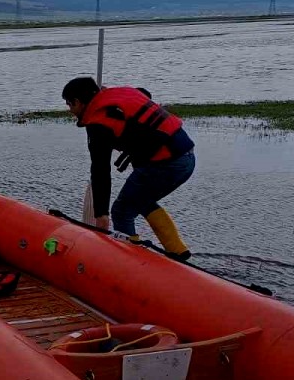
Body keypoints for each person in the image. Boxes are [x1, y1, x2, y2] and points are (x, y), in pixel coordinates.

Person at [62, 76, 195, 261]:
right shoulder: (118, 93)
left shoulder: (98, 122)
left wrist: (101, 214)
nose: (69, 110)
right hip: (187, 156)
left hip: (166, 163)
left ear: (78, 101)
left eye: (69, 104)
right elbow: (144, 95)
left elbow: (100, 170)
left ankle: (130, 263)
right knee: (141, 200)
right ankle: (178, 251)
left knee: (122, 210)